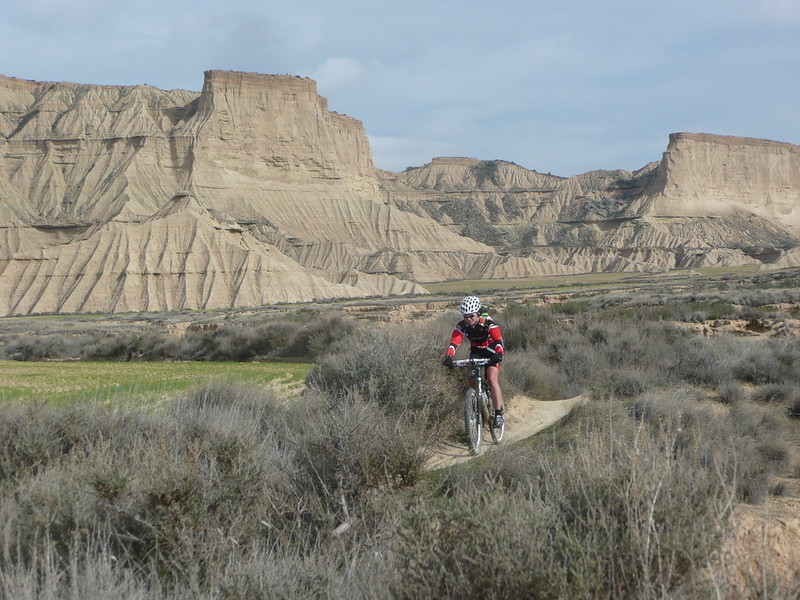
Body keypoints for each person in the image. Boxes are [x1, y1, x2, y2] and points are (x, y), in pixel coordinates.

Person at [442, 295, 505, 427]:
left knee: (492, 379)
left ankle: (498, 414)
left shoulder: (488, 322)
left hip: (491, 350)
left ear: (477, 313)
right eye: (465, 317)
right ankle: (476, 402)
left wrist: (498, 354)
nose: (468, 319)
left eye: (471, 316)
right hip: (476, 350)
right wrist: (449, 356)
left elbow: (498, 340)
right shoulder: (462, 325)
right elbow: (454, 342)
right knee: (471, 378)